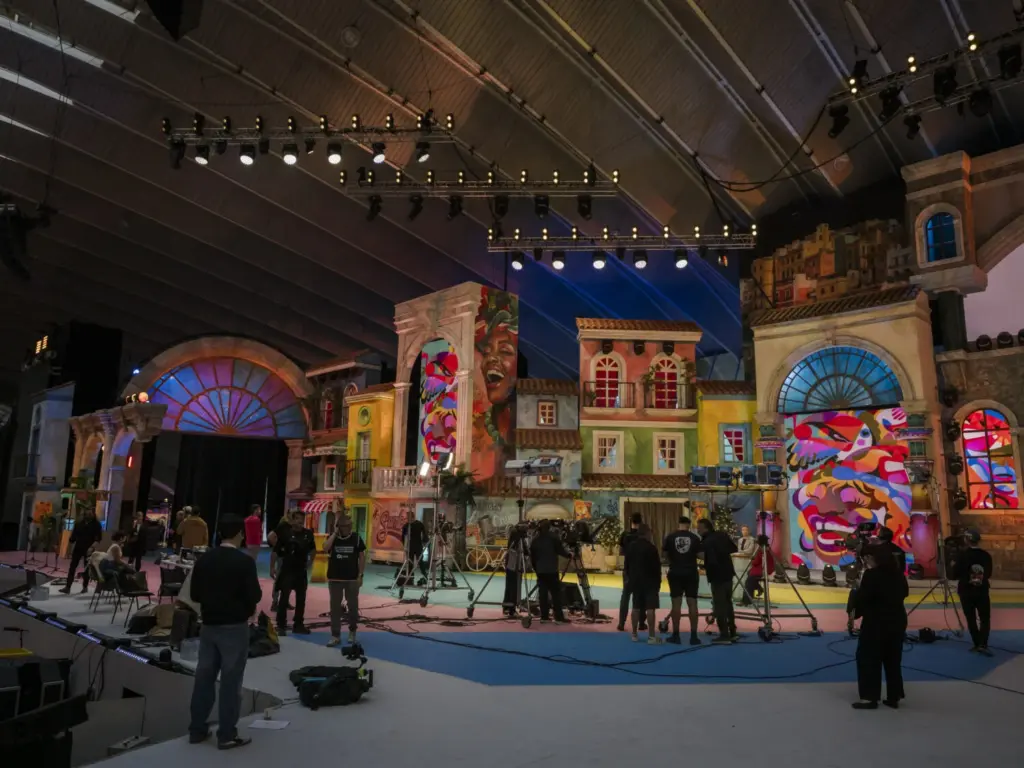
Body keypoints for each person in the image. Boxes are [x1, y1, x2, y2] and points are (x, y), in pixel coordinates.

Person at [188, 515, 262, 750]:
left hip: (209, 626)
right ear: (240, 535)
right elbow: (255, 596)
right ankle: (227, 734)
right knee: (231, 682)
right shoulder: (244, 563)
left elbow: (195, 595)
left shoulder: (204, 560)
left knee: (203, 678)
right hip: (234, 627)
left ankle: (197, 729)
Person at [852, 545, 908, 709]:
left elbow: (863, 598)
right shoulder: (898, 574)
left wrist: (855, 612)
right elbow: (904, 593)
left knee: (868, 657)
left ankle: (869, 697)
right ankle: (894, 695)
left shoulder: (871, 575)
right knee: (893, 659)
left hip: (876, 621)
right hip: (897, 620)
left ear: (870, 557)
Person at [324, 514, 366, 646]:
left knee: (353, 606)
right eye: (344, 525)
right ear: (339, 526)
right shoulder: (334, 538)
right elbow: (325, 548)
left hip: (352, 579)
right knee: (335, 608)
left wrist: (360, 575)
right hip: (335, 578)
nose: (348, 528)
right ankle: (335, 635)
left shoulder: (356, 538)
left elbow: (361, 557)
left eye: (349, 525)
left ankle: (352, 632)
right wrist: (335, 533)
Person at [951, 529, 993, 655]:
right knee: (985, 618)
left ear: (966, 540)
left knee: (971, 618)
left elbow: (954, 574)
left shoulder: (962, 556)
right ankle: (983, 643)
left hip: (966, 591)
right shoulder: (986, 555)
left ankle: (976, 643)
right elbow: (988, 573)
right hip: (982, 590)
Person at [274, 510, 316, 635]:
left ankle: (298, 624)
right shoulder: (285, 533)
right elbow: (276, 551)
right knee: (284, 598)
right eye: (297, 519)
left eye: (301, 520)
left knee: (301, 599)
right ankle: (281, 625)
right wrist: (272, 568)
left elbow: (313, 550)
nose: (299, 522)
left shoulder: (308, 534)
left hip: (301, 571)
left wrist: (310, 563)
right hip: (287, 570)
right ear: (292, 520)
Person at [697, 518, 738, 645]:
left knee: (719, 605)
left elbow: (711, 559)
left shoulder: (707, 541)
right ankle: (732, 631)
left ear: (705, 528)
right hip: (728, 573)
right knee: (728, 603)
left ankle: (724, 635)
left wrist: (706, 565)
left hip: (717, 575)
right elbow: (734, 548)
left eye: (699, 528)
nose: (698, 530)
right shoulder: (722, 535)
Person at [662, 516, 702, 645]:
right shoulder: (695, 538)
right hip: (691, 572)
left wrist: (673, 560)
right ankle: (694, 636)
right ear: (689, 525)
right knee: (692, 603)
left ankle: (676, 635)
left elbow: (664, 555)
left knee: (676, 603)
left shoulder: (670, 537)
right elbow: (701, 555)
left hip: (675, 572)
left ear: (678, 524)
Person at [627, 524, 663, 644]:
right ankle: (652, 636)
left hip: (636, 581)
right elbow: (657, 567)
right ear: (647, 533)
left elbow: (627, 565)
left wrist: (630, 579)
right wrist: (658, 582)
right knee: (650, 608)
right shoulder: (652, 548)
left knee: (636, 607)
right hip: (650, 581)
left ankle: (634, 634)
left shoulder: (631, 547)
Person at [530, 520, 570, 623]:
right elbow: (560, 550)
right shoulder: (553, 538)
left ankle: (544, 617)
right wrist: (569, 555)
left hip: (540, 570)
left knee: (542, 594)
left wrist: (536, 568)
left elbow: (532, 557)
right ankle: (558, 617)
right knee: (556, 594)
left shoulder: (535, 540)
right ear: (549, 527)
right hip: (552, 570)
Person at [60, 507, 103, 594]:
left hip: (89, 548)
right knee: (72, 567)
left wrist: (91, 548)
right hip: (78, 547)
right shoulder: (79, 523)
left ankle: (85, 586)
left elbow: (98, 539)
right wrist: (70, 540)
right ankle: (68, 587)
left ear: (93, 514)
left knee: (86, 569)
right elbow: (73, 537)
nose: (88, 515)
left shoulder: (96, 525)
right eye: (86, 513)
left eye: (90, 513)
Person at [617, 512, 645, 632]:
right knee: (639, 597)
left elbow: (621, 551)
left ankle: (621, 623)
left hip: (628, 569)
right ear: (641, 521)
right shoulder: (643, 535)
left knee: (625, 596)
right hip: (641, 569)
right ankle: (641, 623)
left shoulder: (625, 534)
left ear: (631, 521)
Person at [399, 509, 428, 585]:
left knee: (420, 562)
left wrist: (425, 542)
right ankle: (410, 579)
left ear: (412, 517)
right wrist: (404, 546)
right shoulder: (406, 526)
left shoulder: (419, 524)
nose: (407, 519)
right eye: (406, 517)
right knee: (410, 563)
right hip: (410, 547)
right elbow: (404, 537)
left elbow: (424, 533)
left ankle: (425, 577)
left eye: (408, 517)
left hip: (418, 546)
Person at [740, 542, 775, 606]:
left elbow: (755, 562)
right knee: (750, 577)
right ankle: (759, 588)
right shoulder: (769, 552)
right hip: (764, 571)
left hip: (758, 571)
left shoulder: (761, 552)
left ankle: (746, 601)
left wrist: (752, 560)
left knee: (748, 583)